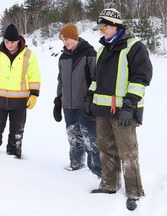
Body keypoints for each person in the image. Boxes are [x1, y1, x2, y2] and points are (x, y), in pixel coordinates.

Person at [86, 8, 153, 211]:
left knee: (127, 152)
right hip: (103, 111)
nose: (101, 31)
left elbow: (141, 78)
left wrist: (130, 105)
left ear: (115, 25)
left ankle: (134, 191)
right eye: (99, 27)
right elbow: (96, 79)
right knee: (105, 150)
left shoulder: (134, 47)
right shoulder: (102, 50)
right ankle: (109, 184)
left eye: (104, 27)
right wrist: (90, 97)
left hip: (125, 111)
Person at [0, 23, 41, 159]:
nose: (9, 45)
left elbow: (34, 75)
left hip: (20, 102)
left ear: (18, 40)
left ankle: (14, 159)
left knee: (17, 132)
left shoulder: (29, 55)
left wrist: (34, 94)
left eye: (12, 42)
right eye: (7, 42)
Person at [53, 23, 102, 178]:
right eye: (62, 40)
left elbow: (97, 79)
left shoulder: (90, 53)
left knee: (91, 138)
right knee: (73, 136)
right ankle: (76, 165)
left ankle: (97, 171)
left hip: (85, 104)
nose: (65, 42)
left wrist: (92, 99)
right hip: (68, 105)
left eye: (67, 39)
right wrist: (58, 100)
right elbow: (61, 80)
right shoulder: (63, 57)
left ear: (74, 37)